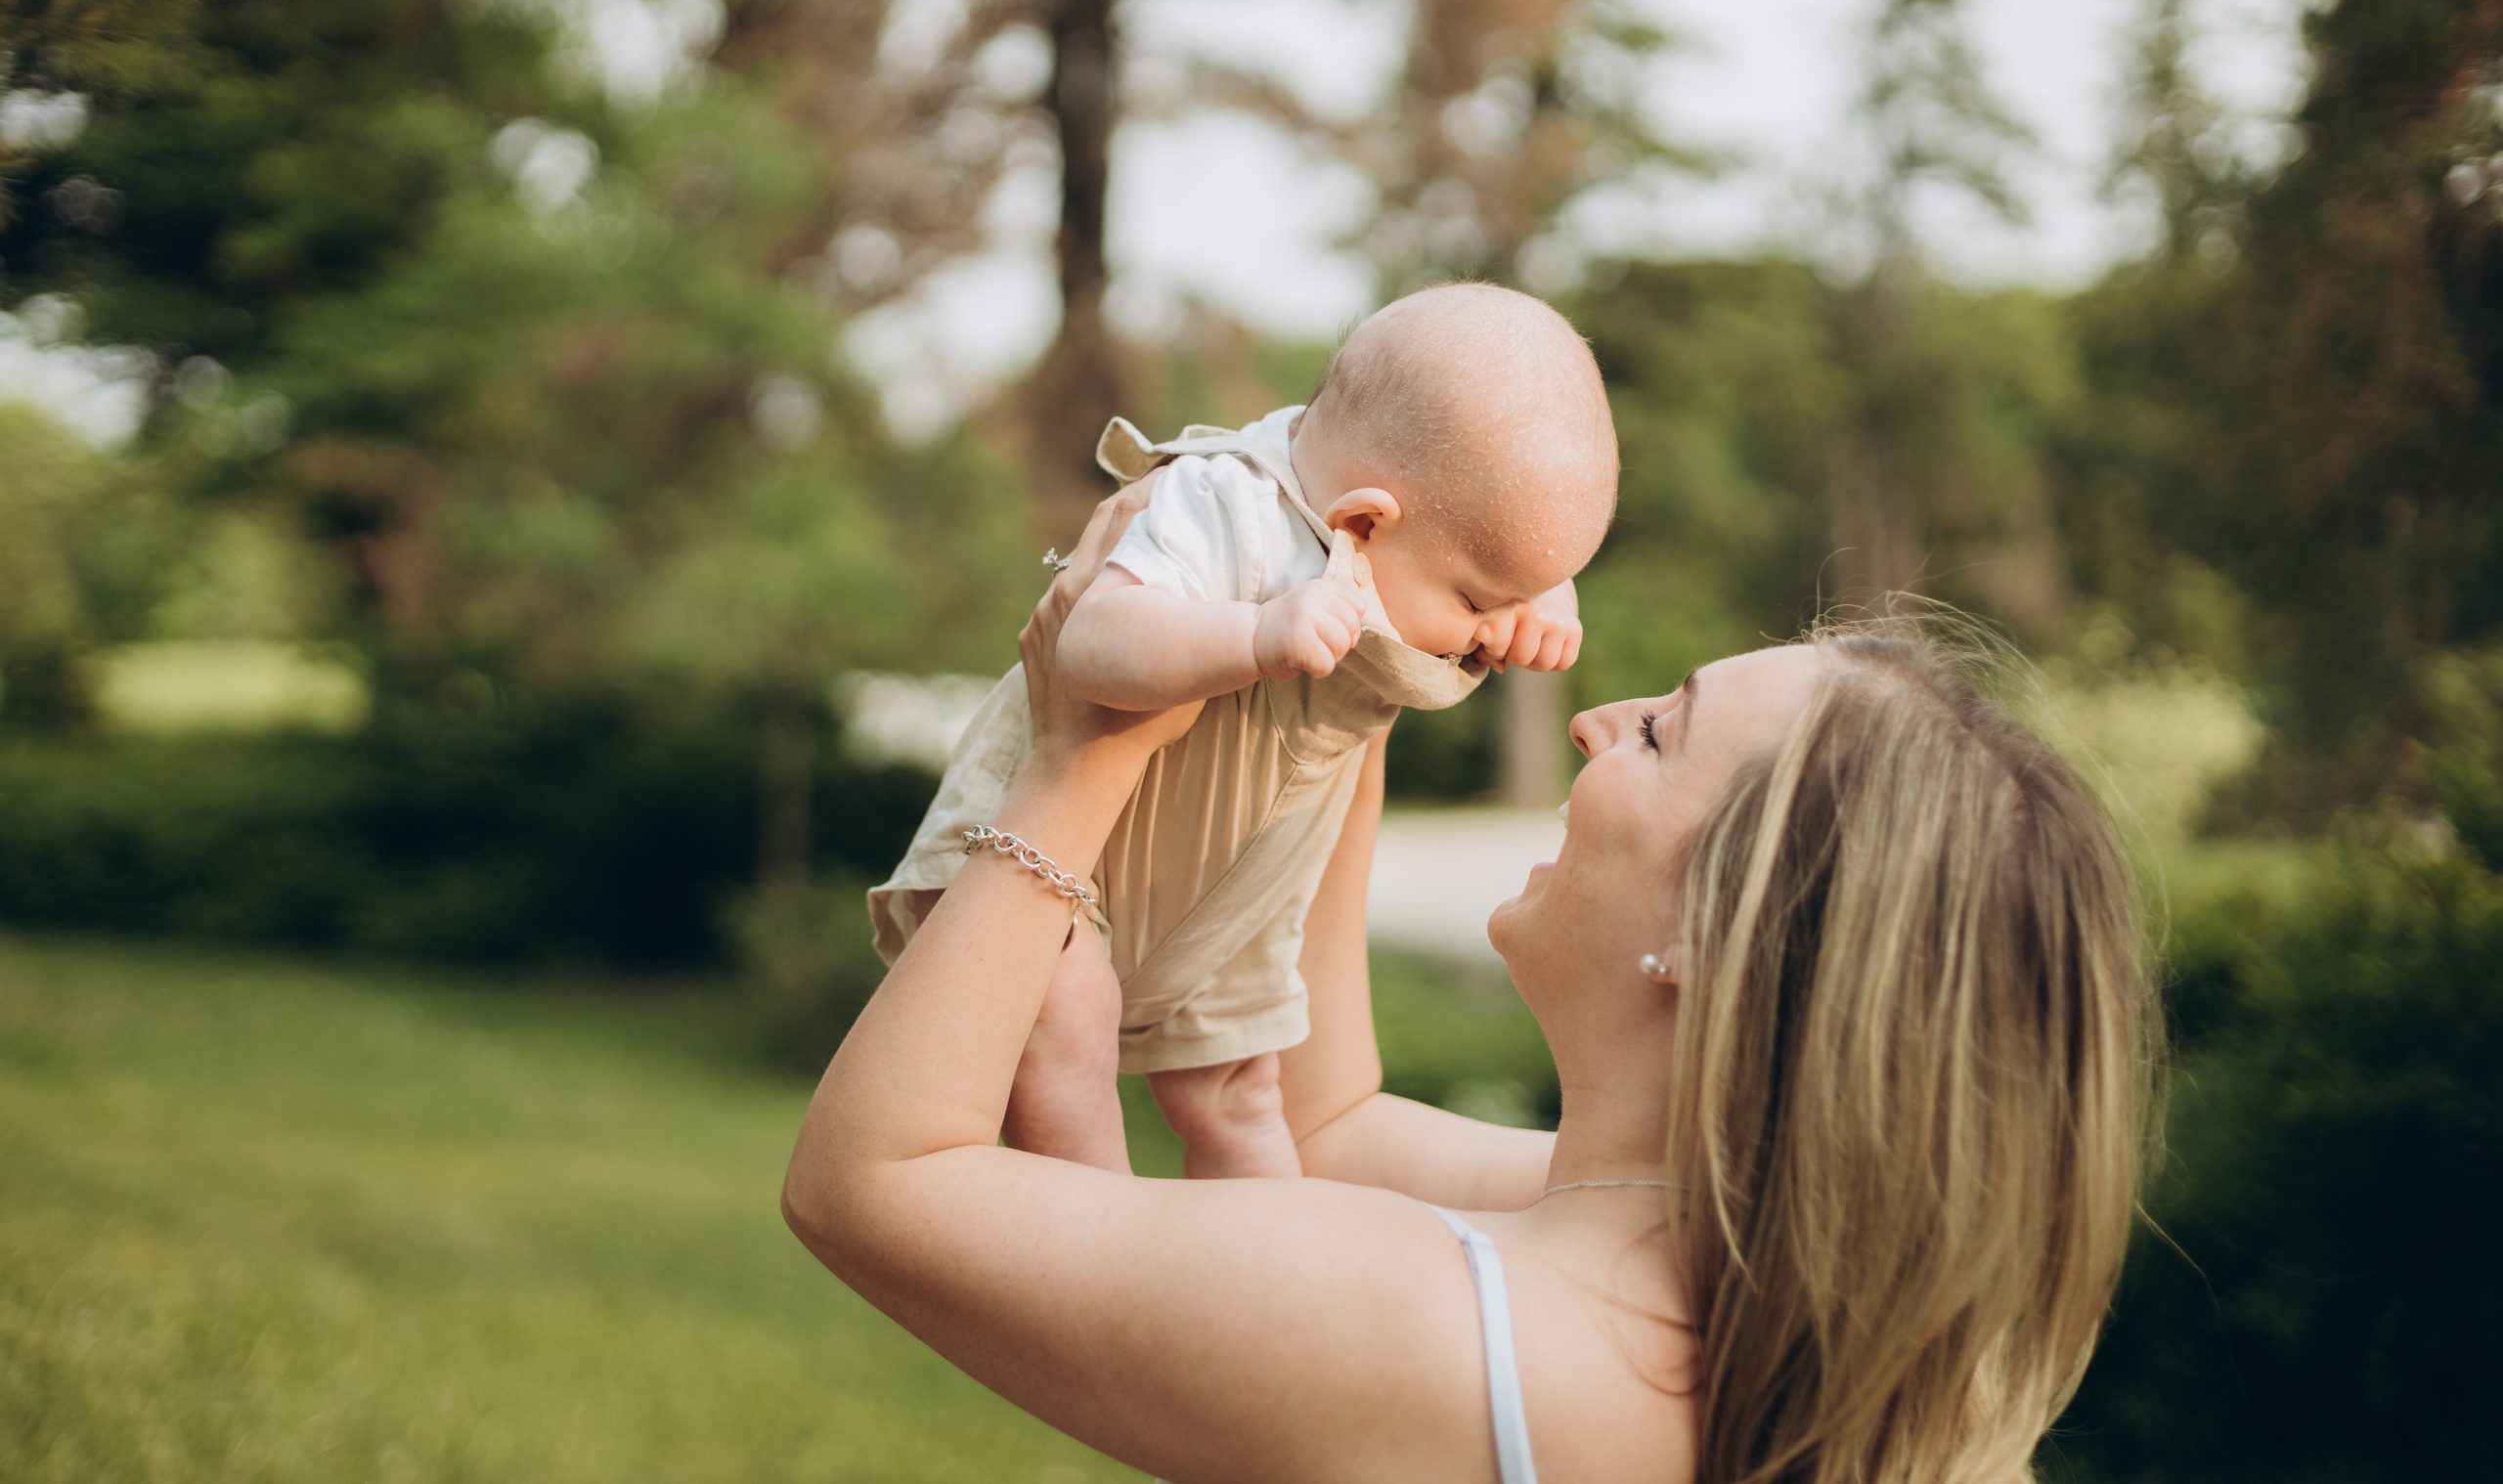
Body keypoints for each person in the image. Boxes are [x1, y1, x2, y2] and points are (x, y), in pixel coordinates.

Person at [785, 481, 2153, 1484]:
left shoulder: (1424, 1320)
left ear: (1722, 932)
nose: (1595, 719)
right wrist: (1371, 661)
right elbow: (1326, 1123)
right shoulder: (1749, 1307)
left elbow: (873, 1182)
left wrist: (1079, 759)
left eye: (1662, 731)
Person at [867, 283, 1618, 1181]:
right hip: (1047, 866)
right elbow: (1092, 640)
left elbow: (1497, 551)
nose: (1496, 634)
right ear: (1362, 524)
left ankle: (1261, 1283)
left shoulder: (1414, 540)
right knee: (1065, 1019)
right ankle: (1097, 1268)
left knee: (1243, 1098)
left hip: (1214, 905)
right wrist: (1253, 634)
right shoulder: (1228, 508)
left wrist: (1541, 597)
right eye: (1480, 602)